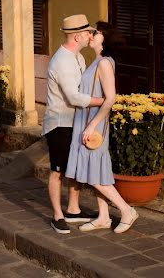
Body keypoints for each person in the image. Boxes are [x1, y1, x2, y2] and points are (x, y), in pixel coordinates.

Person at [66, 21, 138, 234]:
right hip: (86, 122)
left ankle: (126, 211)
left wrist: (92, 125)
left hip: (93, 125)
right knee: (94, 170)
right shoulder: (96, 61)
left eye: (95, 33)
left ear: (104, 39)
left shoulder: (105, 63)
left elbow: (110, 99)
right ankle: (104, 216)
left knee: (94, 174)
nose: (91, 35)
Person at [42, 14, 104, 234]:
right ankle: (58, 215)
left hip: (76, 120)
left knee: (75, 168)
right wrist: (105, 101)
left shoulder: (77, 57)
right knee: (58, 170)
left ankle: (73, 208)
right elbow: (74, 97)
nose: (91, 35)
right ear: (78, 37)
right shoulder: (61, 61)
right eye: (88, 32)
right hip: (59, 123)